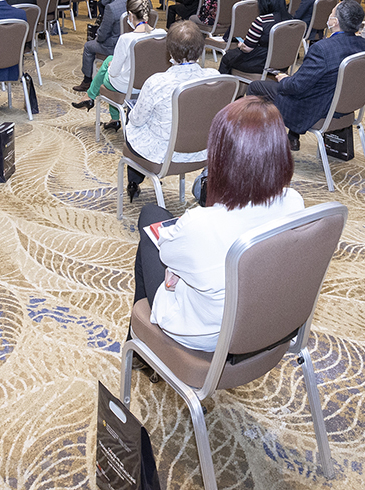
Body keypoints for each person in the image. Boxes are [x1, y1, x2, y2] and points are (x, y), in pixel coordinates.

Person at [129, 96, 305, 352]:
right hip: (266, 326)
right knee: (162, 230)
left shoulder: (201, 224)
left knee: (149, 217)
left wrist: (177, 266)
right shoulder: (294, 202)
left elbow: (166, 252)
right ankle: (138, 346)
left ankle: (140, 346)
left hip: (206, 336)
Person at [247, 0, 365, 151]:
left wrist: (284, 79)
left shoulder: (323, 49)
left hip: (315, 109)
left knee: (256, 87)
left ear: (335, 22)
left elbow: (296, 86)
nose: (329, 14)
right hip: (344, 105)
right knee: (314, 83)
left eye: (331, 12)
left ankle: (257, 141)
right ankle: (292, 138)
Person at [122, 21, 217, 200]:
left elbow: (137, 120)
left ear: (170, 52)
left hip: (165, 156)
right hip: (204, 152)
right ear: (201, 49)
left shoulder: (156, 82)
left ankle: (134, 181)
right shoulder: (215, 79)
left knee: (132, 117)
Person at [73, 0, 163, 127]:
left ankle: (90, 97)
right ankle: (112, 119)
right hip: (150, 84)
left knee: (107, 69)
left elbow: (114, 73)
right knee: (110, 60)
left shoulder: (126, 39)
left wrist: (111, 65)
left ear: (130, 15)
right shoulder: (162, 34)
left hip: (128, 86)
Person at [76, 0, 134, 91]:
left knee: (88, 46)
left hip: (115, 46)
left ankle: (87, 81)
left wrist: (97, 38)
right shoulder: (143, 2)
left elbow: (102, 34)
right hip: (137, 43)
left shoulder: (112, 8)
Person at [219, 0, 289, 75]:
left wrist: (242, 45)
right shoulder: (290, 20)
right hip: (283, 63)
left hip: (261, 63)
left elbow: (247, 48)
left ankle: (225, 83)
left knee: (227, 58)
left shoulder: (261, 21)